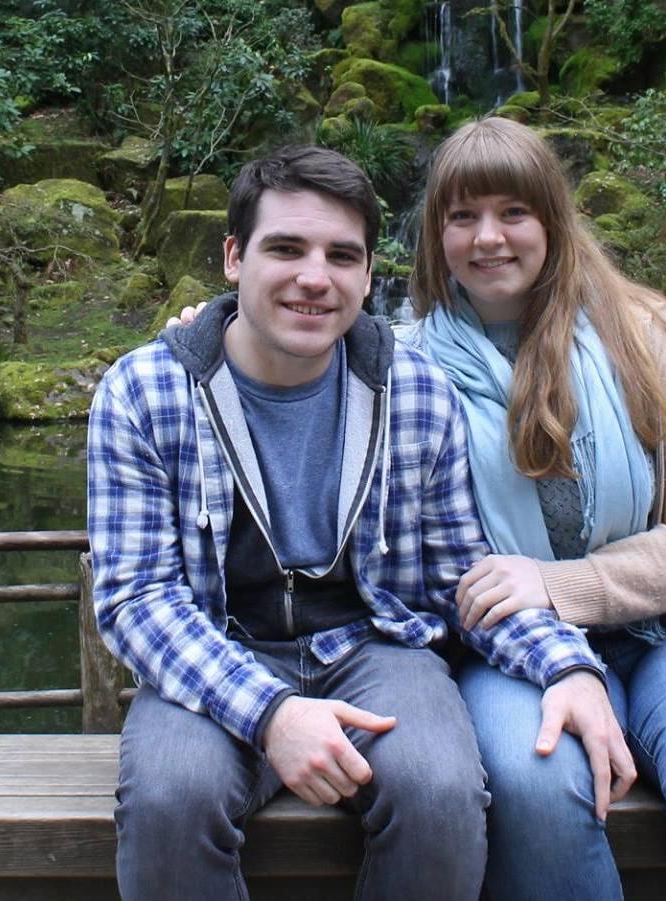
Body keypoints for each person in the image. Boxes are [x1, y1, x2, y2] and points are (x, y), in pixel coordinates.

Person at [88, 144, 631, 901]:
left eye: (342, 255)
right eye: (285, 248)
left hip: (376, 649)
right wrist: (271, 713)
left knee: (441, 790)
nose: (315, 277)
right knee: (170, 799)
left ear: (369, 275)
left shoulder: (412, 390)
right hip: (214, 646)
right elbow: (136, 599)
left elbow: (456, 577)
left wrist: (567, 664)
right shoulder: (143, 391)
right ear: (232, 257)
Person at [405, 114, 666, 901]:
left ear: (552, 222)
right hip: (512, 649)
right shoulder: (407, 367)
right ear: (435, 236)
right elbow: (283, 346)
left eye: (512, 212)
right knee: (531, 793)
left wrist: (566, 585)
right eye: (461, 216)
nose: (487, 237)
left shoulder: (645, 333)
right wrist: (207, 327)